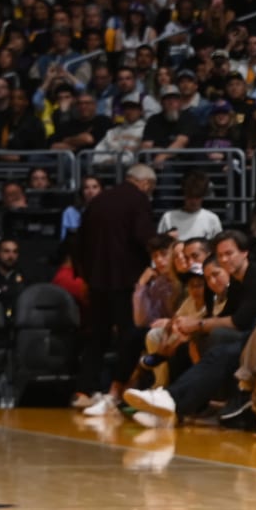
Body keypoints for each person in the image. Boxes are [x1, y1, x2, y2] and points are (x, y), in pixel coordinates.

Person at [73, 163, 157, 407]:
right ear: (145, 184)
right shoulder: (138, 201)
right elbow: (144, 238)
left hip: (97, 280)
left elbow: (79, 243)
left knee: (97, 337)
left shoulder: (98, 201)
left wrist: (85, 277)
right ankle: (118, 390)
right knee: (128, 337)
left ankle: (83, 391)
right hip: (126, 282)